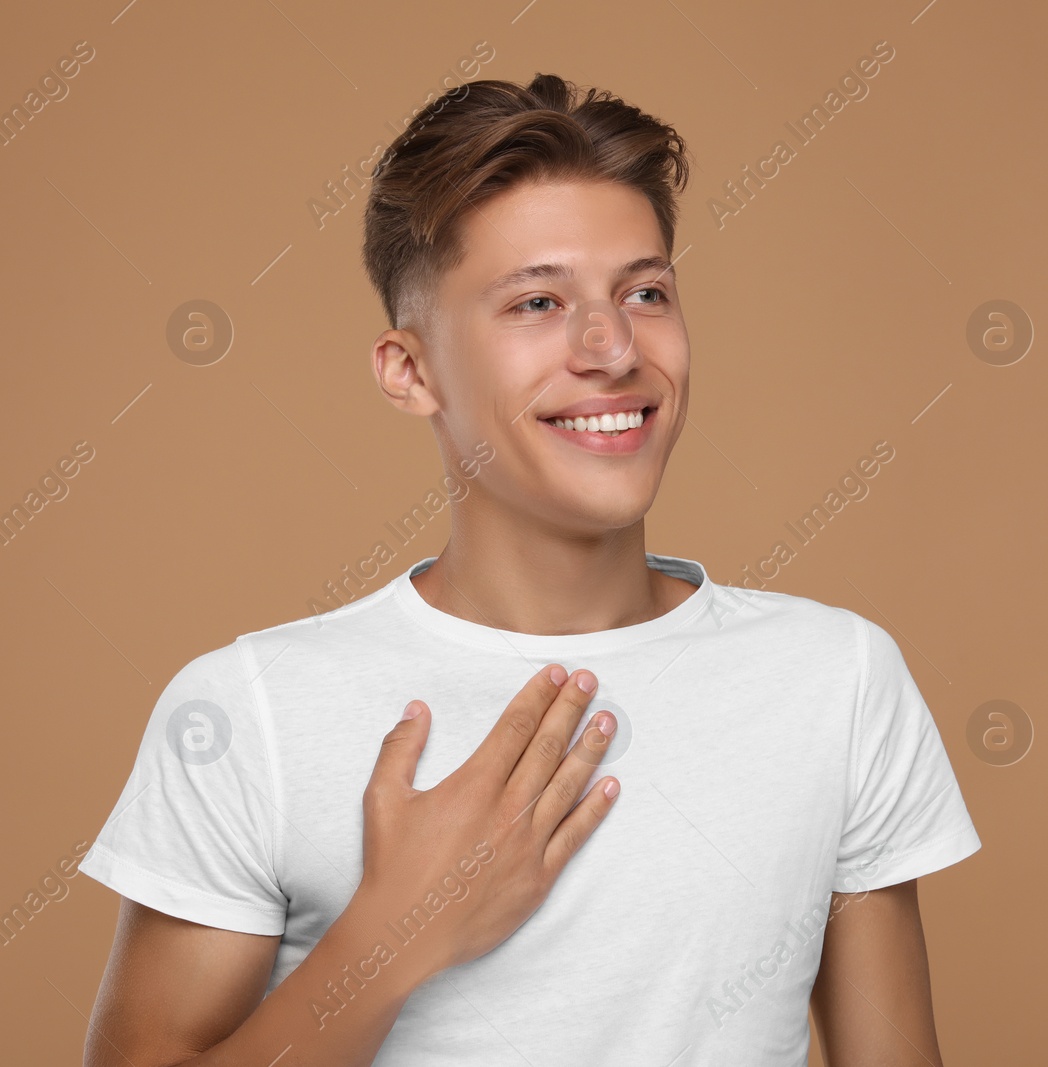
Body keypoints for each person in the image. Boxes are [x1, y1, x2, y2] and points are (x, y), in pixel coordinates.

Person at [79, 73, 981, 1066]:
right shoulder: (249, 710)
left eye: (645, 291)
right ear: (409, 370)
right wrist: (394, 936)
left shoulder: (837, 679)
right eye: (538, 301)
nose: (612, 347)